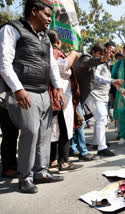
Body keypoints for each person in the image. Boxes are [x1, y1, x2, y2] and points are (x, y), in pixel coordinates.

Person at [0, 0, 65, 193]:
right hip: (24, 92)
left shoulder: (45, 37)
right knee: (30, 132)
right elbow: (4, 62)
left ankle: (41, 172)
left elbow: (52, 64)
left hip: (43, 92)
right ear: (33, 11)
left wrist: (58, 87)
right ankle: (24, 177)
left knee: (45, 134)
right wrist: (18, 89)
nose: (49, 20)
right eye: (46, 15)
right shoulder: (12, 29)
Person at [47, 29, 83, 173]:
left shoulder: (50, 52)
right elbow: (61, 66)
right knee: (64, 129)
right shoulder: (54, 52)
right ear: (58, 42)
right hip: (61, 97)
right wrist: (73, 54)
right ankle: (64, 162)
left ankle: (53, 160)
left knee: (55, 129)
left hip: (56, 97)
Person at [72, 44, 112, 159]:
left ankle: (74, 148)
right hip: (84, 96)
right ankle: (85, 152)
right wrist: (101, 60)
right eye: (100, 54)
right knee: (81, 123)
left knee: (78, 123)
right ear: (93, 52)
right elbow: (87, 63)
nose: (102, 56)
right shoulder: (85, 57)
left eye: (103, 55)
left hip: (81, 96)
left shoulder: (98, 62)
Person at [85, 43, 122, 156]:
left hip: (103, 96)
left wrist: (113, 83)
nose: (111, 53)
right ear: (104, 51)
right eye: (110, 50)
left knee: (101, 120)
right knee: (101, 119)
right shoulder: (99, 62)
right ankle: (101, 148)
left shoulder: (107, 64)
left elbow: (106, 78)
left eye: (113, 52)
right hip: (95, 95)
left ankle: (97, 142)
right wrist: (111, 81)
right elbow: (96, 77)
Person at [0, 94, 19, 178]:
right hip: (4, 102)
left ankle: (12, 164)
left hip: (11, 101)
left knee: (12, 134)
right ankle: (8, 168)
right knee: (9, 134)